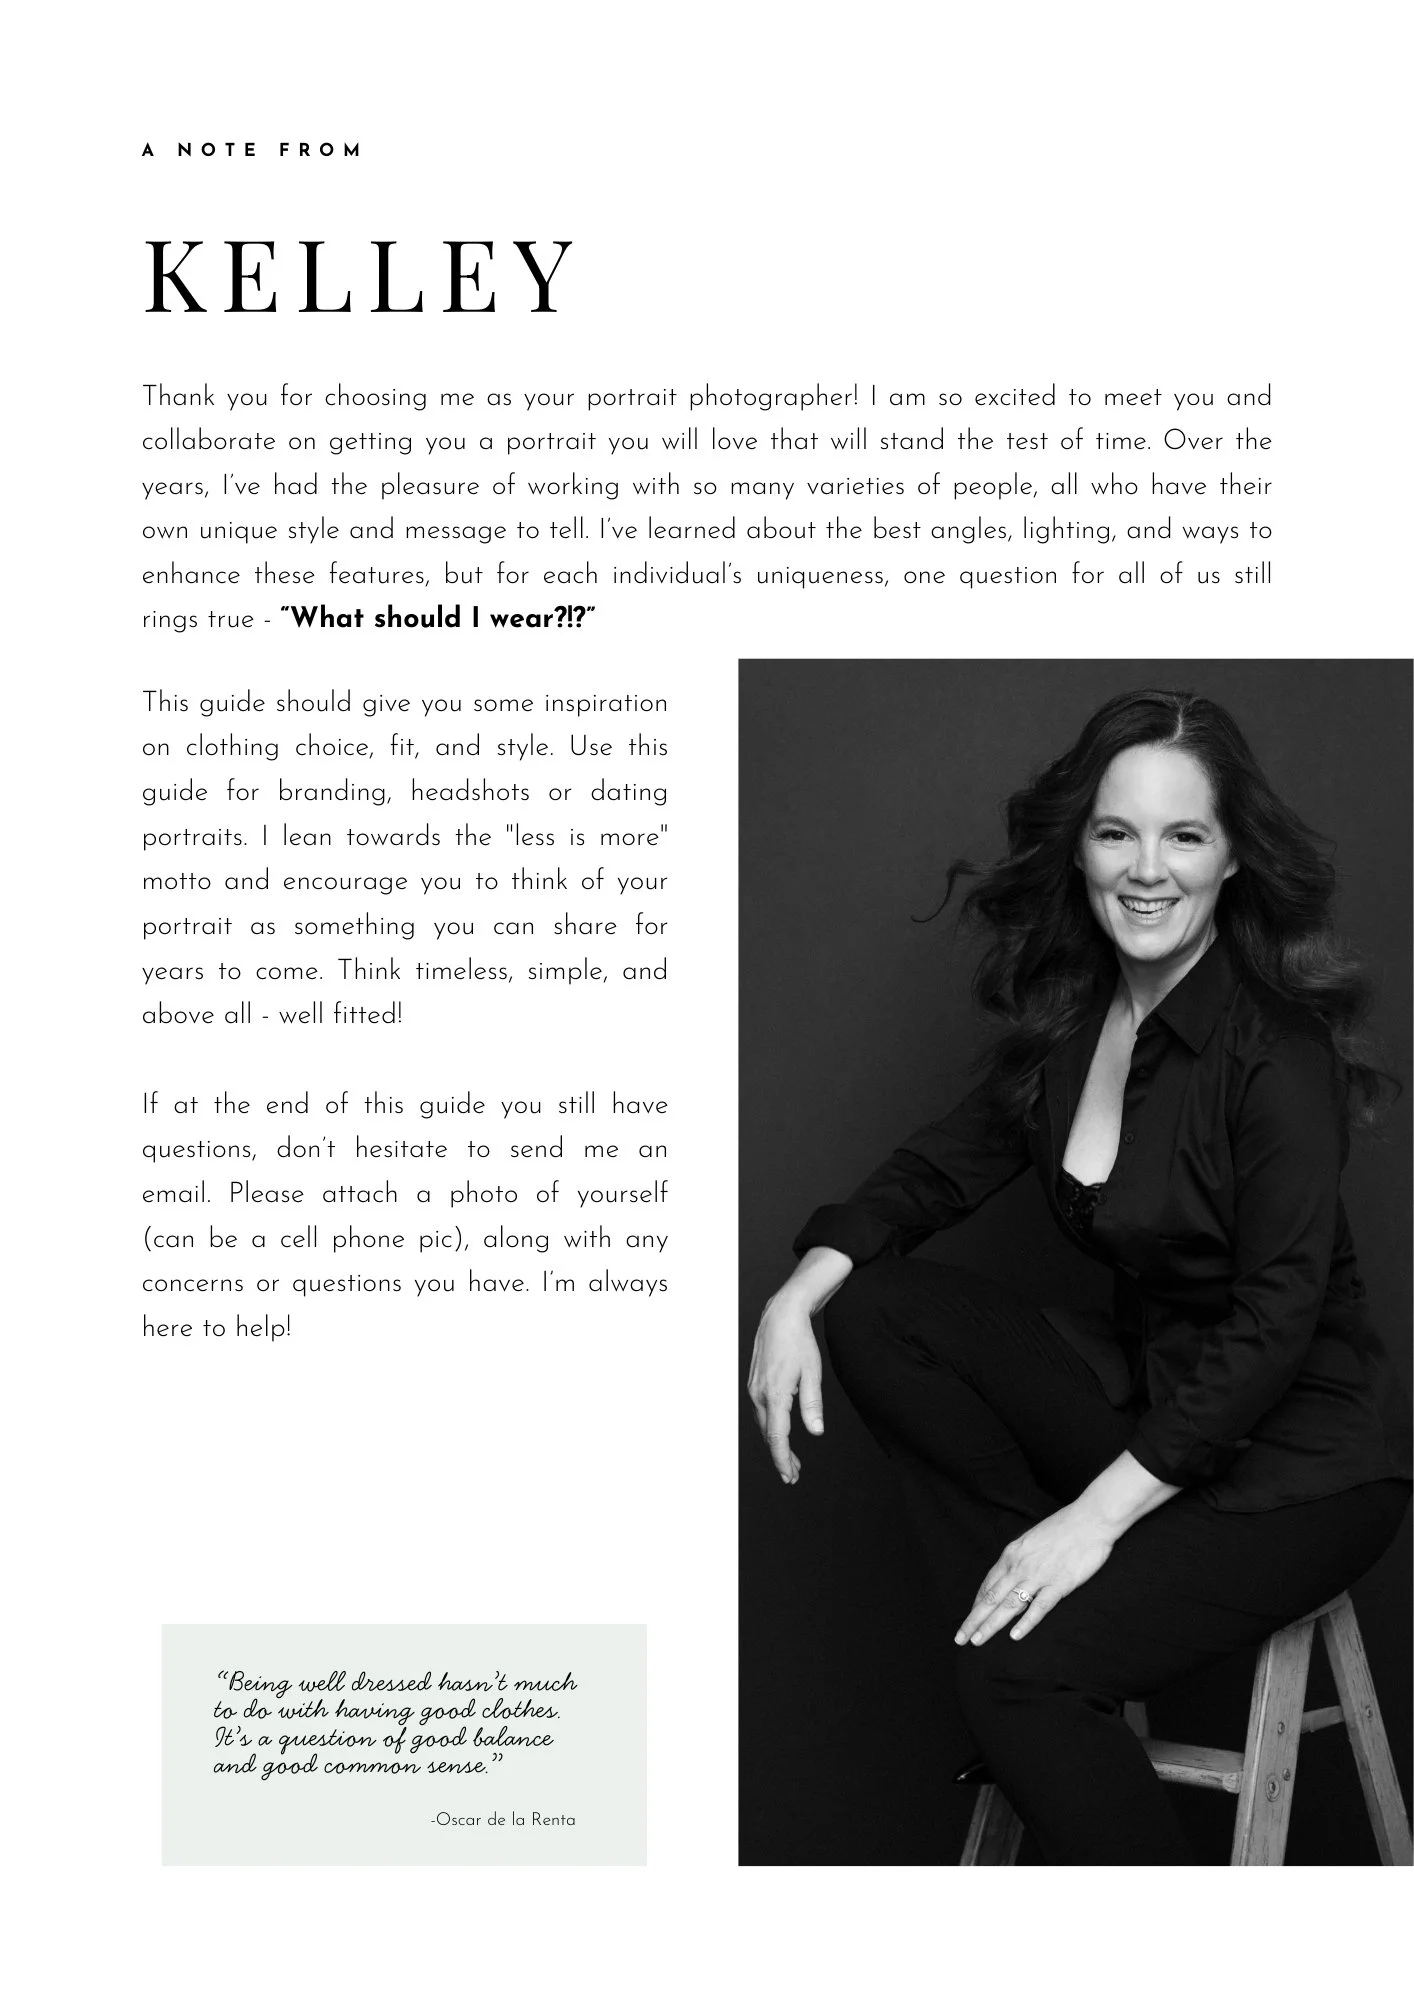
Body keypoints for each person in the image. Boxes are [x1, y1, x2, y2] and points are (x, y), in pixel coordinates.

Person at [747, 687, 1412, 1865]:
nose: (1144, 868)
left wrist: (1089, 1525)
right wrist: (797, 1290)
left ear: (1231, 862)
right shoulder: (1075, 1025)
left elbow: (1273, 1325)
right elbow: (930, 1173)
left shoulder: (1276, 1055)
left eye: (1183, 835)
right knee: (879, 1305)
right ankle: (1017, 1632)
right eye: (1116, 832)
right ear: (1080, 846)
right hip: (1156, 1409)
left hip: (1298, 1468)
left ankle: (1029, 1683)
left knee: (1014, 1677)